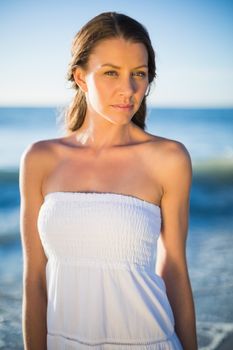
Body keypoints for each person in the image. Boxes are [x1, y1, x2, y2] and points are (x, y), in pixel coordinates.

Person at [19, 11, 198, 350]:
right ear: (81, 77)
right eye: (111, 73)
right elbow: (34, 278)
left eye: (139, 74)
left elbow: (174, 267)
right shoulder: (40, 159)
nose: (128, 89)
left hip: (148, 340)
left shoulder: (169, 159)